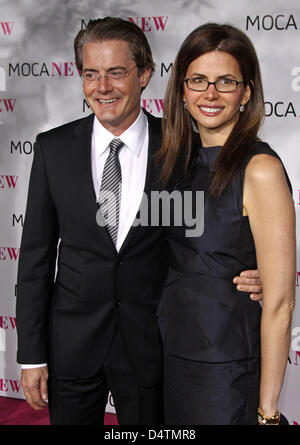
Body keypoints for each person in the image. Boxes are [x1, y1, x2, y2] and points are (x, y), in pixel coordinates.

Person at [16, 18, 262, 425]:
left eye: (116, 72)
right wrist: (31, 355)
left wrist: (258, 272)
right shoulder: (52, 149)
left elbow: (212, 232)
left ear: (144, 74)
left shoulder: (182, 147)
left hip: (154, 345)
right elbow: (36, 260)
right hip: (73, 345)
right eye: (91, 74)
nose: (103, 87)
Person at [157, 22, 296, 425]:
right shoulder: (174, 163)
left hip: (227, 369)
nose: (210, 94)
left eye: (226, 81)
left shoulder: (261, 169)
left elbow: (281, 302)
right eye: (198, 80)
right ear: (182, 90)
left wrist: (267, 412)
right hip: (175, 356)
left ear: (246, 92)